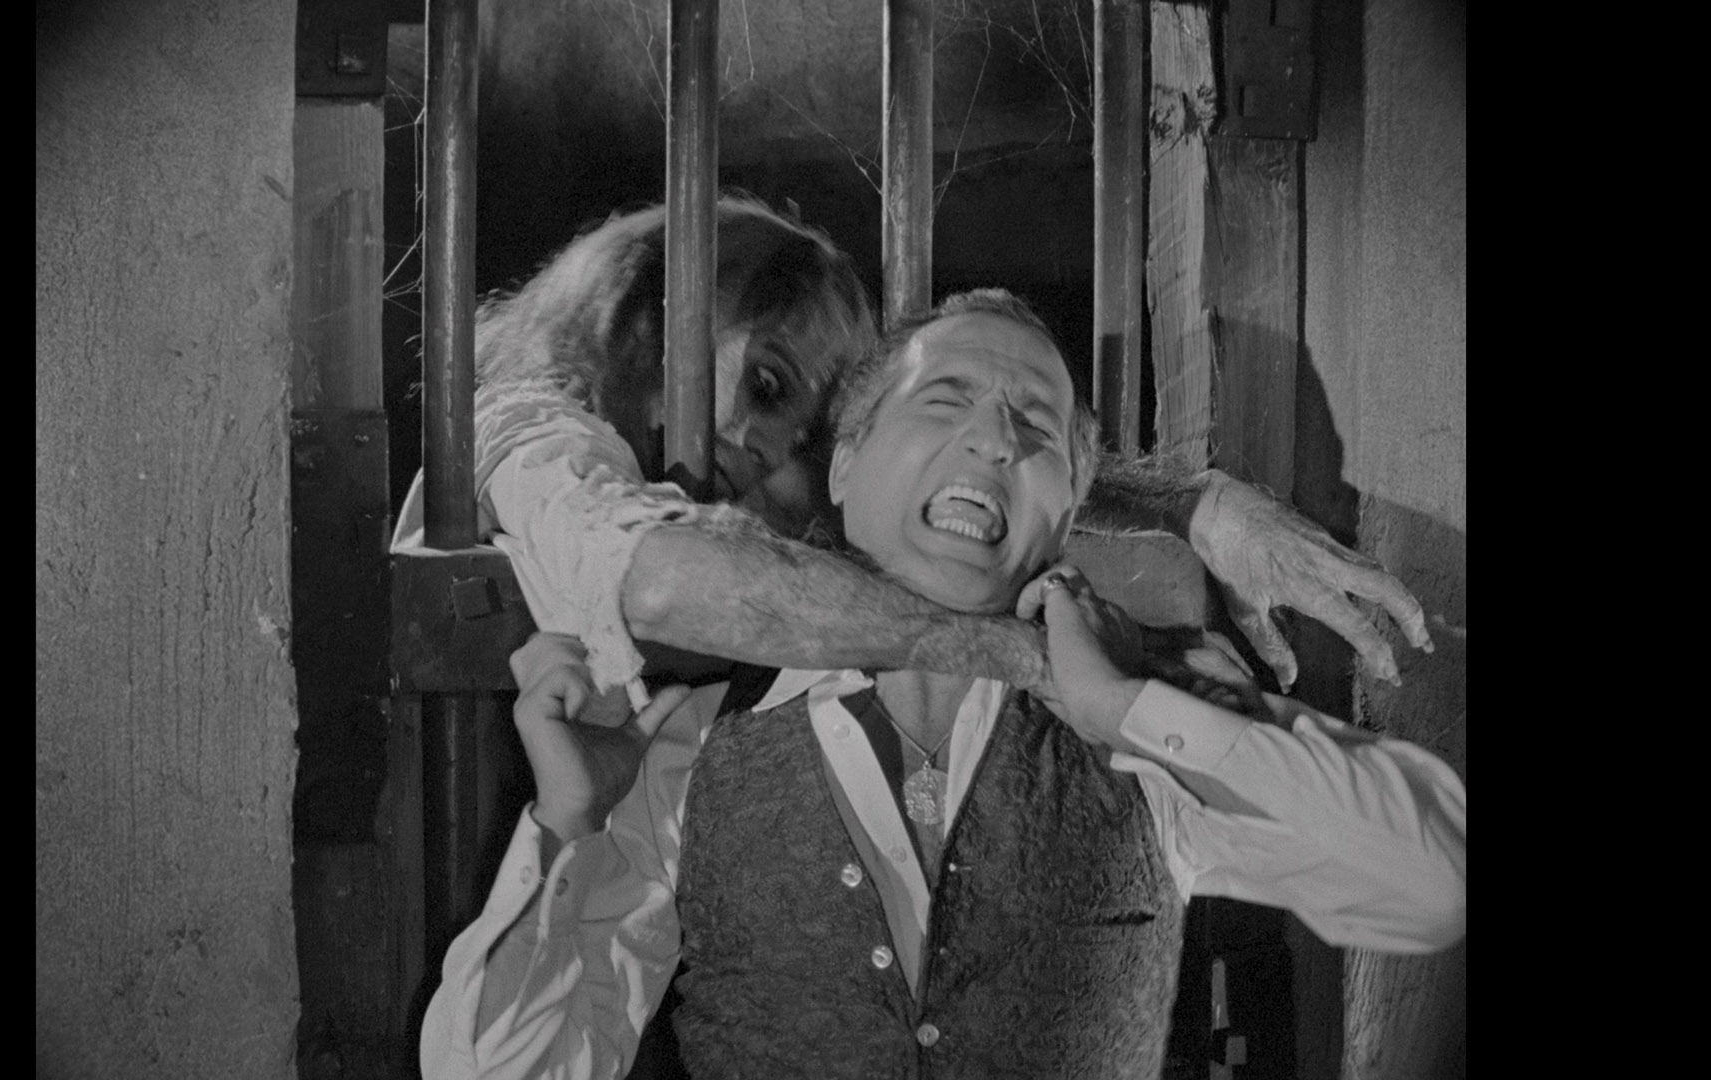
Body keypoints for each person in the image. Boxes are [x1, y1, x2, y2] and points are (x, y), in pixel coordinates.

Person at [417, 290, 1466, 1079]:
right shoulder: (687, 750)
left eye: (1036, 425)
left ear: (1069, 511)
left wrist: (1125, 709)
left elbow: (1433, 882)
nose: (994, 438)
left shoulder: (1154, 726)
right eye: (946, 398)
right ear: (843, 466)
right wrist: (567, 825)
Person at [391, 196, 1431, 704]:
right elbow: (659, 581)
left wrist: (1194, 504)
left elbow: (918, 461)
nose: (766, 451)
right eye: (766, 384)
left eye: (804, 433)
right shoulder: (525, 427)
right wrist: (1040, 662)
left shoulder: (705, 466)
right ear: (661, 314)